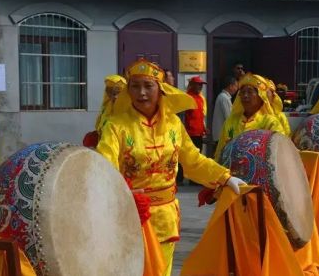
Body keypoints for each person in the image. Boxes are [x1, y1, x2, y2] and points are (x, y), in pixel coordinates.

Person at [96, 59, 245, 276]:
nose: (142, 93)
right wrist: (120, 193)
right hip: (130, 214)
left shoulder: (174, 124)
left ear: (161, 89)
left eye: (148, 86)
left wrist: (224, 177)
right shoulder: (116, 126)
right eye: (135, 86)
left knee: (161, 270)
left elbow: (193, 160)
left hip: (165, 216)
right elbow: (104, 167)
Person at [214, 73, 285, 161]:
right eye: (242, 92)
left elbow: (280, 152)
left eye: (250, 92)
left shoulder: (270, 122)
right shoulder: (231, 122)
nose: (245, 96)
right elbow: (221, 151)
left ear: (261, 97)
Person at [212, 77, 238, 144]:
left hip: (221, 135)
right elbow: (229, 119)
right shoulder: (224, 98)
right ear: (230, 86)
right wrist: (231, 136)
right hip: (222, 137)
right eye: (236, 86)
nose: (236, 89)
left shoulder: (223, 97)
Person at [185, 76, 208, 151]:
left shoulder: (201, 98)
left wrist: (204, 128)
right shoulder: (187, 97)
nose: (201, 87)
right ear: (192, 85)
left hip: (199, 133)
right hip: (190, 133)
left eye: (201, 85)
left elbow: (201, 116)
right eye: (198, 84)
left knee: (198, 154)